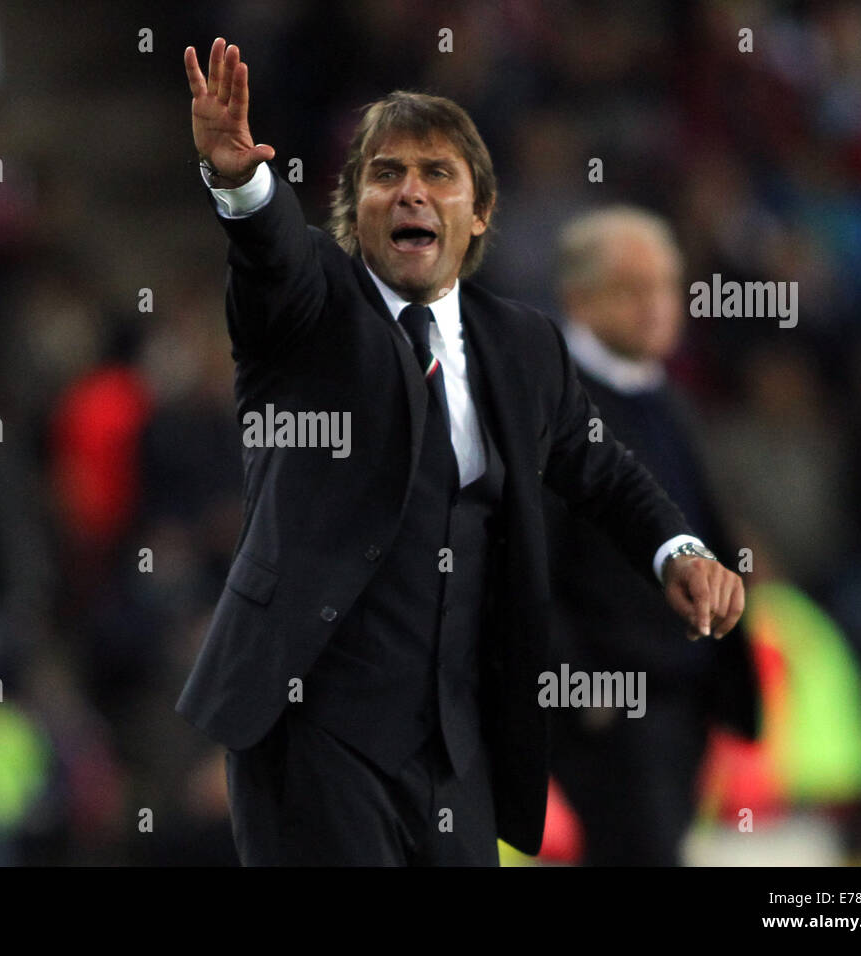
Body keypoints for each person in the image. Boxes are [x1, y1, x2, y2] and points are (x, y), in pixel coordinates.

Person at [175, 37, 745, 866]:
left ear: (477, 212)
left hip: (455, 742)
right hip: (313, 726)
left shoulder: (521, 344)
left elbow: (601, 466)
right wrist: (238, 179)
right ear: (354, 206)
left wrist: (677, 549)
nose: (411, 190)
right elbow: (269, 254)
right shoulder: (311, 311)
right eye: (386, 173)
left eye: (438, 173)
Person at [543, 207, 760, 865]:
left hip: (683, 698)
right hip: (609, 705)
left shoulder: (670, 399)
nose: (657, 305)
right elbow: (524, 558)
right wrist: (580, 690)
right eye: (632, 288)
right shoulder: (551, 402)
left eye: (666, 286)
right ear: (579, 298)